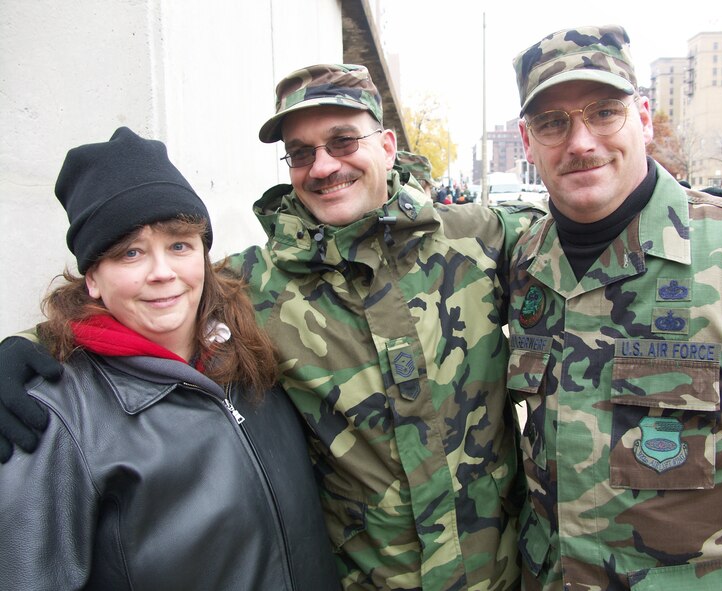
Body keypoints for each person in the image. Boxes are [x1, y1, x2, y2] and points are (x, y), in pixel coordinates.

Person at [0, 65, 546, 590]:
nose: (323, 166)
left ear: (386, 146)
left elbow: (581, 254)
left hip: (497, 576)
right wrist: (25, 349)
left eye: (342, 141)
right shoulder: (252, 284)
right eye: (301, 153)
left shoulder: (481, 239)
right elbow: (141, 301)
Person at [509, 25, 722, 589]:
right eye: (552, 122)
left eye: (604, 112)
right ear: (527, 141)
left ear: (642, 117)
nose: (580, 142)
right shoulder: (524, 261)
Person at [0, 127, 338, 590]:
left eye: (179, 245)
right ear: (92, 278)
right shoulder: (56, 416)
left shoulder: (251, 347)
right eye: (130, 252)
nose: (162, 272)